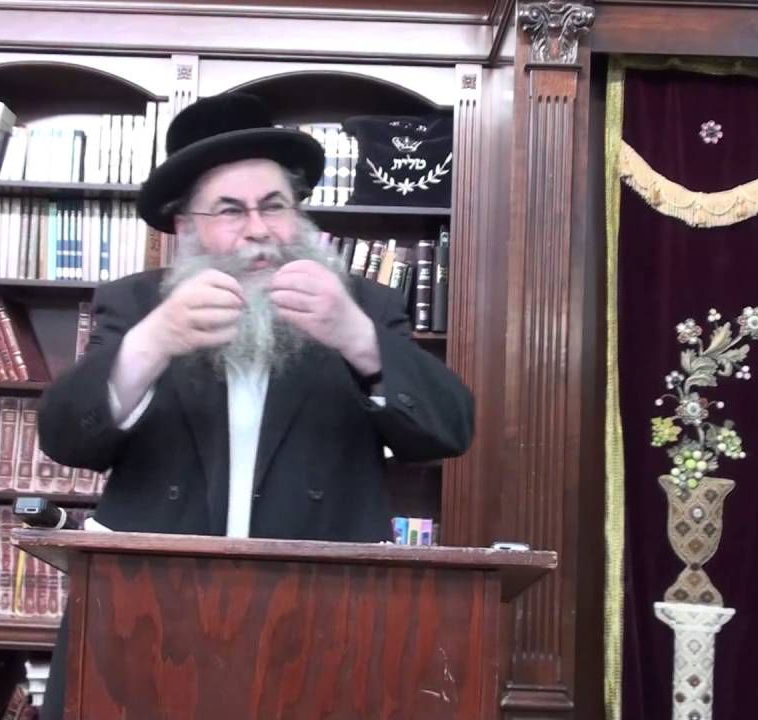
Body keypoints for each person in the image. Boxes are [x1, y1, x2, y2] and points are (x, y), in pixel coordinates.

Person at [33, 91, 475, 719]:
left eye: (274, 205)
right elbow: (64, 438)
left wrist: (356, 337)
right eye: (230, 210)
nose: (260, 230)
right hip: (151, 617)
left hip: (321, 619)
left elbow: (450, 430)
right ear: (186, 229)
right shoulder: (135, 306)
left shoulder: (363, 305)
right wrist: (152, 343)